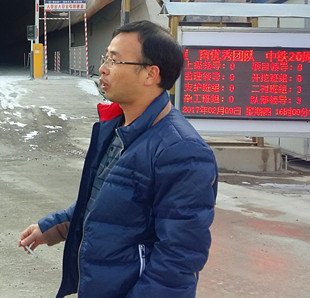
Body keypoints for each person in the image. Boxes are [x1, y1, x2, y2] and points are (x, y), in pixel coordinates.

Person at [19, 20, 218, 297]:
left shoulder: (181, 151)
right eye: (106, 58)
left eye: (115, 60)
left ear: (150, 74)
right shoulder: (117, 129)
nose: (103, 68)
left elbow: (178, 260)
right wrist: (53, 228)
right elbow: (102, 203)